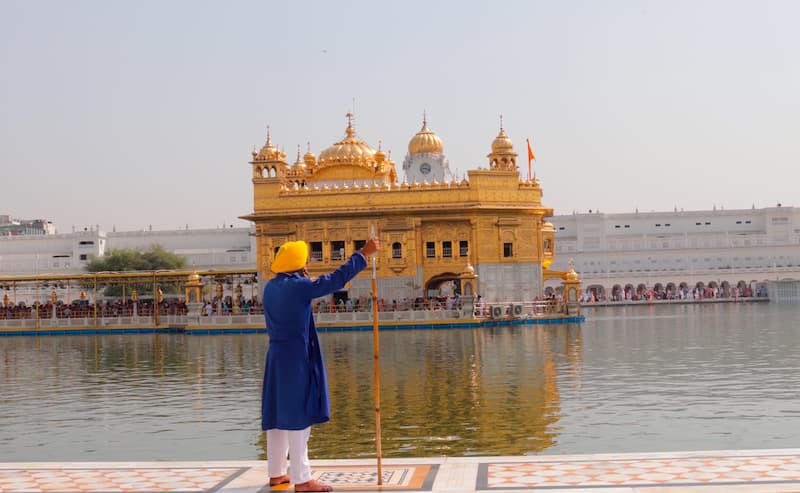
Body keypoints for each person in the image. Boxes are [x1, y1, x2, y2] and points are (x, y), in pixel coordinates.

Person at [262, 237, 379, 492]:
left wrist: (300, 277)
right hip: (296, 358)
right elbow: (334, 281)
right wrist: (362, 255)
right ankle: (302, 479)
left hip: (276, 356)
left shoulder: (271, 287)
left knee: (277, 415)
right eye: (305, 261)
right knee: (298, 416)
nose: (308, 265)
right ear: (298, 265)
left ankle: (277, 472)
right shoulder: (299, 287)